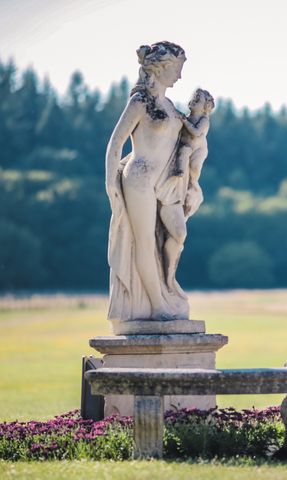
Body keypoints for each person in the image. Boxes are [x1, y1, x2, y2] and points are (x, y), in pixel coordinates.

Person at [105, 41, 190, 322]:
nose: (179, 76)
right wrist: (110, 184)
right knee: (144, 242)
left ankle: (167, 290)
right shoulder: (141, 102)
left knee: (175, 235)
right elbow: (116, 142)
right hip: (139, 176)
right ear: (162, 68)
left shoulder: (168, 104)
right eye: (177, 69)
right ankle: (156, 305)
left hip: (164, 183)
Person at [157, 88, 215, 296]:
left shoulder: (202, 121)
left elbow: (196, 133)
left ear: (206, 107)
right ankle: (167, 278)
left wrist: (183, 120)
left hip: (196, 150)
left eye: (197, 100)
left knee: (193, 169)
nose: (192, 101)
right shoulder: (184, 118)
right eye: (193, 97)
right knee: (184, 154)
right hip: (184, 152)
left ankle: (190, 183)